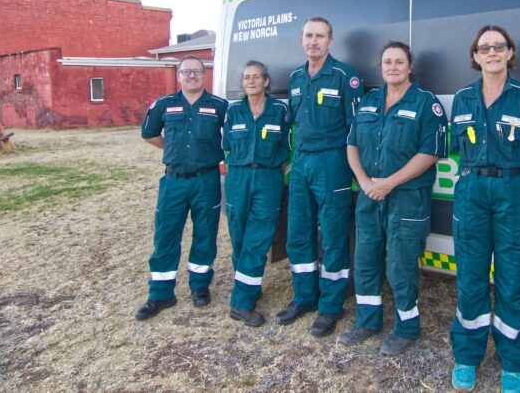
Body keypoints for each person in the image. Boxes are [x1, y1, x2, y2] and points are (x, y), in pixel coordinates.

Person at [449, 25, 520, 393]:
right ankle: (467, 355)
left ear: (510, 53)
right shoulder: (462, 98)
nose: (492, 52)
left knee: (512, 279)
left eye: (499, 46)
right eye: (484, 48)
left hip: (515, 188)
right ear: (475, 57)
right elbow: (456, 149)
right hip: (472, 190)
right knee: (471, 276)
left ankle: (513, 361)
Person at [337, 41, 447, 355]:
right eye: (387, 62)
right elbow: (352, 144)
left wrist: (390, 183)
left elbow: (431, 153)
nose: (393, 67)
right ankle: (368, 321)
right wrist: (363, 181)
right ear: (381, 67)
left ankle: (406, 327)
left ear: (410, 67)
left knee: (400, 265)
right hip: (370, 195)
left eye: (399, 62)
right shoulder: (370, 100)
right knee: (365, 260)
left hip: (407, 198)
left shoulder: (427, 103)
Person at [277, 17, 363, 337]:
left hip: (332, 163)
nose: (314, 41)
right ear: (301, 39)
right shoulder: (296, 78)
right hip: (301, 164)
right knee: (298, 232)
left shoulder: (345, 76)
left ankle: (330, 306)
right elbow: (293, 123)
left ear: (331, 40)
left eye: (320, 36)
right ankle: (304, 298)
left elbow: (357, 129)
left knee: (333, 234)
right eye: (309, 36)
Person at [135, 55, 228, 320]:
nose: (192, 76)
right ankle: (161, 293)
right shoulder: (164, 105)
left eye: (197, 72)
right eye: (186, 72)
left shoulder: (219, 106)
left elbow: (231, 137)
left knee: (205, 233)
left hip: (206, 179)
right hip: (174, 180)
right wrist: (172, 149)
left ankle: (199, 286)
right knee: (166, 235)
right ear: (179, 76)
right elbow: (149, 134)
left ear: (204, 75)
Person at [222, 60, 290, 327]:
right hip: (238, 177)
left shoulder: (279, 111)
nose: (250, 81)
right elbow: (226, 144)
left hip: (268, 177)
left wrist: (275, 173)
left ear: (266, 82)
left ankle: (241, 303)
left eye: (256, 77)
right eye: (246, 77)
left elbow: (288, 147)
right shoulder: (233, 112)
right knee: (238, 236)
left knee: (257, 238)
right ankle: (249, 284)